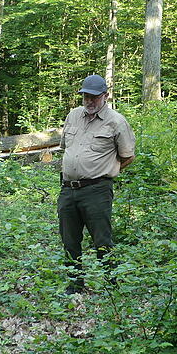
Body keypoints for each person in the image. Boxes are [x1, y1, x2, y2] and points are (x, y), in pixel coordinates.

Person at [58, 74, 135, 293]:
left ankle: (111, 287)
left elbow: (128, 155)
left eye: (94, 97)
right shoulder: (73, 116)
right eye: (85, 97)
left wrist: (106, 172)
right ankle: (75, 284)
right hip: (68, 189)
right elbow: (67, 148)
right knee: (69, 240)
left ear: (105, 96)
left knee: (102, 240)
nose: (89, 102)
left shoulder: (116, 121)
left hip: (97, 191)